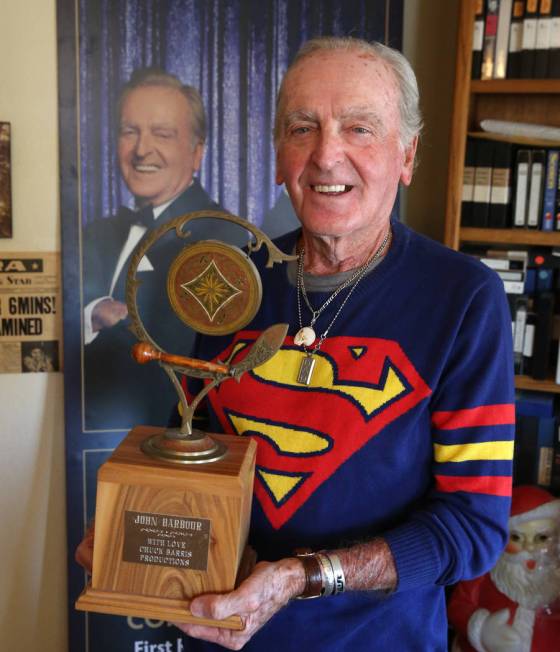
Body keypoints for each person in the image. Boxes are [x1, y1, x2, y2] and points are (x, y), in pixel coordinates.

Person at [77, 36, 515, 650]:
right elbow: (210, 465)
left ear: (406, 155)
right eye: (302, 127)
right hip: (229, 634)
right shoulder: (229, 285)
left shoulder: (464, 299)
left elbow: (473, 528)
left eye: (359, 128)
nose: (326, 155)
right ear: (280, 155)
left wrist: (298, 577)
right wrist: (140, 527)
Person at [82, 68, 244, 430]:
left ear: (197, 152)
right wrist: (92, 312)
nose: (142, 150)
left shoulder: (226, 240)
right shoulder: (93, 235)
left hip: (173, 445)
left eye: (162, 134)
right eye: (130, 132)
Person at [449, 485, 560, 652]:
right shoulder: (485, 569)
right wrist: (483, 629)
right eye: (516, 537)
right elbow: (457, 606)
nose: (529, 547)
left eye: (542, 537)